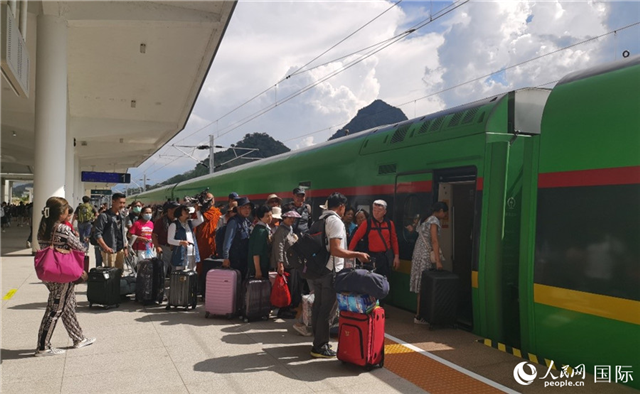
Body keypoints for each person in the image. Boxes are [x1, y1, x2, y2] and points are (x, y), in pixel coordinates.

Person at [309, 192, 370, 358]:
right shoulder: (335, 222)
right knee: (327, 310)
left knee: (318, 307)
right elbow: (336, 249)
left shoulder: (320, 219)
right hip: (331, 271)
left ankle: (317, 341)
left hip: (319, 270)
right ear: (341, 207)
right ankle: (320, 346)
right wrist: (357, 254)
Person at [35, 197, 95, 357]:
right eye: (67, 210)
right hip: (63, 274)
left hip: (49, 272)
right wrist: (75, 237)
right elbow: (80, 248)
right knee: (54, 310)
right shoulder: (62, 229)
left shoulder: (43, 227)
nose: (69, 213)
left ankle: (78, 338)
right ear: (60, 213)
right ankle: (43, 346)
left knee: (67, 305)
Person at [410, 201, 448, 325]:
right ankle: (420, 316)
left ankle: (419, 314)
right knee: (424, 286)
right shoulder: (434, 221)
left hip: (417, 253)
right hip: (425, 255)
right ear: (441, 211)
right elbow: (434, 241)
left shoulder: (424, 219)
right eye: (445, 213)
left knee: (422, 286)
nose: (445, 215)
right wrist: (438, 261)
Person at [348, 200, 400, 278]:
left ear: (384, 212)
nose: (376, 212)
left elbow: (394, 240)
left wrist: (396, 257)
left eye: (379, 210)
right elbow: (356, 238)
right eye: (374, 210)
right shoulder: (367, 223)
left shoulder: (389, 224)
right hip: (371, 258)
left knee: (385, 281)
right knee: (371, 282)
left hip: (385, 258)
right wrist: (350, 255)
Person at [271, 209, 301, 319]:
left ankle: (288, 308)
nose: (292, 220)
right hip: (285, 263)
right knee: (286, 288)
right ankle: (283, 310)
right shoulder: (281, 230)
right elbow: (279, 248)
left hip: (291, 263)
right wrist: (280, 263)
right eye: (290, 218)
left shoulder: (289, 229)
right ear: (284, 218)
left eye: (293, 218)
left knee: (291, 287)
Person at [94, 193, 129, 271]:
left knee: (119, 272)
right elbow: (97, 234)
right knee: (110, 273)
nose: (122, 205)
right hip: (109, 250)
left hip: (120, 249)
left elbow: (123, 232)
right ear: (113, 202)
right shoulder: (104, 216)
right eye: (120, 203)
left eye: (124, 203)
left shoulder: (122, 216)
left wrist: (125, 247)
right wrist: (105, 247)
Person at [221, 197, 252, 279]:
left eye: (249, 208)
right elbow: (228, 240)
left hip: (243, 259)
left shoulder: (246, 222)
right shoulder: (233, 222)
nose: (247, 210)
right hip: (235, 260)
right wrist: (226, 258)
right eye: (244, 208)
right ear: (238, 209)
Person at [168, 204, 204, 271]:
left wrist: (197, 210)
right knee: (181, 273)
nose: (187, 212)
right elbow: (169, 240)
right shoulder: (174, 225)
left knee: (192, 273)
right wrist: (181, 242)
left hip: (192, 253)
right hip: (181, 254)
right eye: (185, 210)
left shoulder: (190, 223)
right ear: (179, 213)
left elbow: (201, 220)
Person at [152, 201, 179, 275]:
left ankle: (174, 284)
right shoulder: (161, 221)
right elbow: (154, 235)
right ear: (169, 210)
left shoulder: (179, 221)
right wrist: (157, 246)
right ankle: (161, 284)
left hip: (176, 248)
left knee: (175, 268)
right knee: (163, 268)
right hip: (164, 247)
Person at [195, 193, 222, 264]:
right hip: (201, 241)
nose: (211, 201)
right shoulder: (199, 212)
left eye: (212, 199)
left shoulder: (216, 212)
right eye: (208, 199)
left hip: (212, 241)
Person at [248, 205, 272, 279]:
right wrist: (258, 270)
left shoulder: (264, 228)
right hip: (260, 266)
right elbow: (256, 253)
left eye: (271, 215)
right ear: (260, 218)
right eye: (267, 216)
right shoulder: (260, 231)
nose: (270, 218)